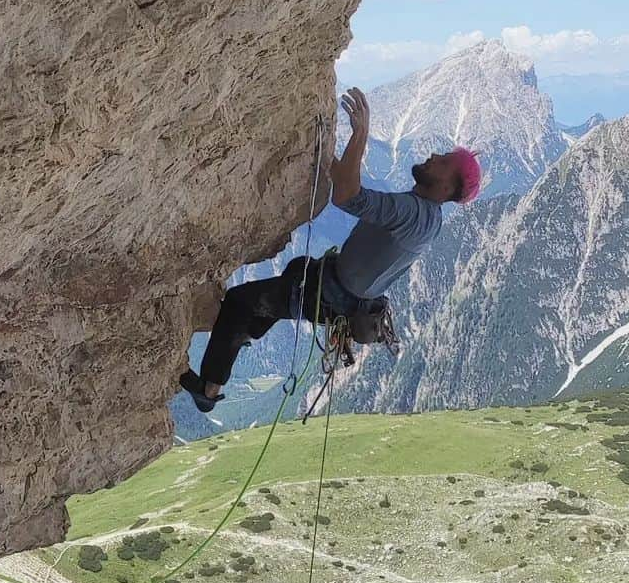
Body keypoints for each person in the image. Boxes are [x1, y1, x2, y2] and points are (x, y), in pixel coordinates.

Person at [179, 88, 483, 412]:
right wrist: (322, 151)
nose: (434, 157)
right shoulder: (430, 218)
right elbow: (344, 182)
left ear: (447, 187)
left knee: (240, 302)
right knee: (294, 271)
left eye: (444, 162)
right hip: (342, 297)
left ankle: (208, 392)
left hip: (328, 293)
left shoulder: (410, 211)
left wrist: (361, 133)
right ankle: (243, 330)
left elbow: (347, 196)